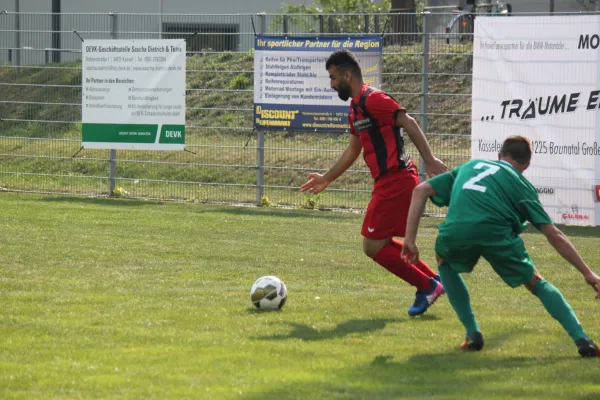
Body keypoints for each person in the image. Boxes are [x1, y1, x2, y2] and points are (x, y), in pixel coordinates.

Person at [401, 135, 600, 357]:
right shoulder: (522, 184)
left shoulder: (471, 165)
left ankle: (472, 333)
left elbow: (420, 190)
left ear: (499, 155)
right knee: (535, 282)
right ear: (526, 165)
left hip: (458, 231)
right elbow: (553, 234)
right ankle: (582, 339)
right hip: (497, 234)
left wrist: (409, 240)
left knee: (443, 260)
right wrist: (587, 272)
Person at [300, 49, 448, 316]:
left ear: (348, 75)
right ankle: (434, 280)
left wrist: (430, 158)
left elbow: (408, 121)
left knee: (372, 245)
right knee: (378, 241)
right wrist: (326, 178)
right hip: (388, 182)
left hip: (397, 179)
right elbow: (353, 150)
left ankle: (426, 285)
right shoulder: (355, 108)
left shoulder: (374, 99)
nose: (331, 84)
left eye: (333, 78)